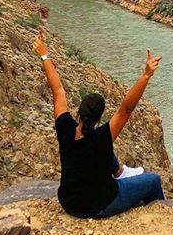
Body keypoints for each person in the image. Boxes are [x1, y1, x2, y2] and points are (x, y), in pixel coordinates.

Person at [33, 32, 165, 218]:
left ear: (79, 111)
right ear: (99, 117)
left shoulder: (65, 127)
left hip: (69, 203)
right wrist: (146, 75)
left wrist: (44, 55)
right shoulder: (102, 136)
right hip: (100, 204)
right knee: (153, 180)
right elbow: (126, 109)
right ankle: (162, 219)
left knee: (104, 150)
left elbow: (58, 90)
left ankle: (120, 172)